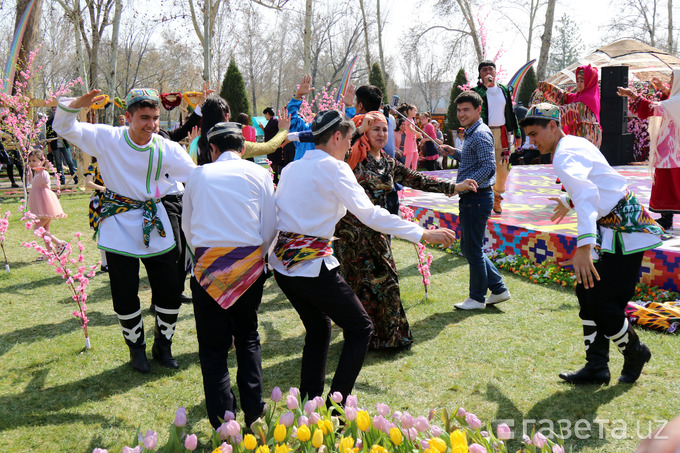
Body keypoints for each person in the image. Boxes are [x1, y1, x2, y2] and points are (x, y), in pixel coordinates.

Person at [269, 110, 456, 405]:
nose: (352, 146)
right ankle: (336, 406)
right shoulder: (336, 168)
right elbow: (370, 214)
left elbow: (275, 215)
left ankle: (310, 400)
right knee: (361, 328)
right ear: (337, 137)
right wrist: (421, 233)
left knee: (318, 329)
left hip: (282, 264)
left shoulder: (292, 168)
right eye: (350, 138)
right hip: (309, 265)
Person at [53, 88, 196, 373]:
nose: (151, 124)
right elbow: (62, 127)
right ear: (127, 117)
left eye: (155, 118)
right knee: (124, 290)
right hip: (118, 223)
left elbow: (195, 176)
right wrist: (75, 106)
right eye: (144, 117)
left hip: (155, 222)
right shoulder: (108, 138)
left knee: (170, 287)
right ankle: (136, 351)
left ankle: (163, 346)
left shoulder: (166, 147)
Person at [520, 103, 663, 385]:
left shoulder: (564, 155)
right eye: (528, 136)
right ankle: (597, 366)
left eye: (535, 134)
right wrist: (567, 200)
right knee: (586, 291)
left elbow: (586, 192)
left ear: (553, 126)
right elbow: (597, 181)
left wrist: (584, 247)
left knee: (600, 300)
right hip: (614, 227)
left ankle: (635, 352)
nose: (531, 142)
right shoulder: (573, 142)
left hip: (624, 230)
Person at [336, 110, 477, 350]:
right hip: (350, 236)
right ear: (364, 131)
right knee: (357, 287)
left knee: (387, 283)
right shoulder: (350, 159)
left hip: (378, 231)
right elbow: (336, 155)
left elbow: (419, 179)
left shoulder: (388, 163)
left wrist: (454, 187)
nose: (381, 133)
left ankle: (390, 339)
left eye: (384, 129)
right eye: (375, 128)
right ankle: (364, 337)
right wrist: (357, 131)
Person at [182, 122, 276, 429]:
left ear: (212, 149)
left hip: (208, 265)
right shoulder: (260, 173)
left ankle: (224, 421)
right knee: (248, 337)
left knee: (213, 348)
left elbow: (187, 226)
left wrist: (208, 257)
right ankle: (253, 412)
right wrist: (256, 257)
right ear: (243, 148)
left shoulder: (197, 174)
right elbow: (269, 226)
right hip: (249, 263)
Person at [442, 91, 511, 310]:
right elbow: (473, 159)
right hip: (473, 197)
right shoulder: (473, 133)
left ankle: (477, 297)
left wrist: (466, 184)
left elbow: (488, 167)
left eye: (466, 110)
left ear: (478, 110)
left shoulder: (480, 133)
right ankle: (498, 290)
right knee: (471, 247)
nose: (461, 114)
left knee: (472, 248)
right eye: (459, 110)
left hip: (477, 197)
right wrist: (455, 152)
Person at [617, 71, 680, 231]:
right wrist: (663, 89)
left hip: (673, 151)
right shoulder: (675, 100)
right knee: (666, 185)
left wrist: (631, 94)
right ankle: (666, 218)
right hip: (669, 152)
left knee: (671, 184)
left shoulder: (677, 102)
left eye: (672, 79)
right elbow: (667, 102)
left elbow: (653, 108)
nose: (670, 82)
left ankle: (667, 219)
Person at [472, 60, 521, 214]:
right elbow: (474, 107)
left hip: (502, 133)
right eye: (484, 70)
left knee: (503, 168)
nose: (488, 72)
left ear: (495, 72)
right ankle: (482, 199)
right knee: (483, 166)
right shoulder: (476, 91)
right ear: (480, 75)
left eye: (490, 69)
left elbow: (511, 113)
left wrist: (517, 133)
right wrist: (485, 87)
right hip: (483, 133)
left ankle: (497, 197)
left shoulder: (504, 90)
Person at [195, 94, 289, 165]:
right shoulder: (234, 144)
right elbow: (270, 147)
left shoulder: (194, 145)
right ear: (227, 116)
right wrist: (283, 130)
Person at [538, 64, 603, 149]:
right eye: (578, 81)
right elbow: (564, 97)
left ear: (589, 81)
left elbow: (568, 111)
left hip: (587, 139)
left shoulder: (588, 99)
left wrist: (544, 111)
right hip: (578, 139)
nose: (578, 84)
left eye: (582, 81)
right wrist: (546, 87)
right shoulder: (578, 96)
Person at [26, 149, 68, 257]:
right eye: (30, 161)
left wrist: (42, 169)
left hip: (45, 204)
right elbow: (33, 183)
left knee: (38, 228)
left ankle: (59, 243)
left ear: (42, 160)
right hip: (39, 203)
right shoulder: (37, 173)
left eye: (34, 160)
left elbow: (46, 184)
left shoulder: (43, 172)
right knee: (45, 230)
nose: (31, 163)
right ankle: (50, 252)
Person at [83, 157, 108, 272]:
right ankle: (105, 263)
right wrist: (102, 188)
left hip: (114, 200)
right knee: (102, 231)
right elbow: (88, 183)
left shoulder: (115, 162)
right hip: (100, 200)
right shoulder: (93, 166)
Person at [46, 107, 78, 185]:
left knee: (69, 161)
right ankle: (62, 180)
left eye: (56, 109)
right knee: (58, 163)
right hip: (55, 145)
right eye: (53, 109)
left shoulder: (64, 120)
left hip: (65, 144)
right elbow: (48, 135)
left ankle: (75, 178)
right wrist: (49, 145)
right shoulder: (49, 122)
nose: (55, 111)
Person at [397, 103, 419, 170]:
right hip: (409, 141)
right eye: (414, 110)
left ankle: (414, 171)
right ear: (410, 110)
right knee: (409, 158)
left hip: (413, 141)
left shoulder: (412, 120)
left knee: (415, 156)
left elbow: (412, 130)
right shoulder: (408, 120)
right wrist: (417, 132)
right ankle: (406, 173)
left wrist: (416, 134)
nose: (416, 112)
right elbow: (410, 128)